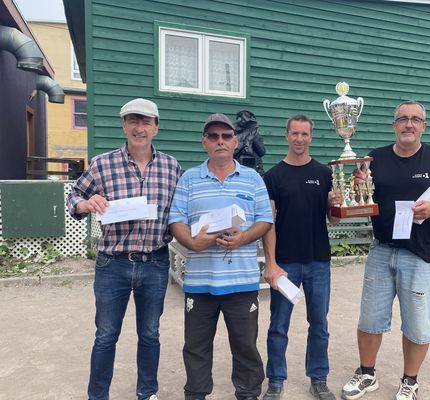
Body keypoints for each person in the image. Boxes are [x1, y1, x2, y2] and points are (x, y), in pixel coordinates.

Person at [341, 100, 430, 400]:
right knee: (369, 318)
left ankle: (410, 380)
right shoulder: (376, 158)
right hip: (382, 250)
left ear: (423, 126)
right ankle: (367, 374)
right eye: (403, 119)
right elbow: (362, 198)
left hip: (421, 255)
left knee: (417, 324)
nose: (409, 124)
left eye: (415, 119)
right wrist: (358, 184)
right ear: (394, 125)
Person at [67, 98, 181, 400]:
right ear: (124, 125)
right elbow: (74, 195)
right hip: (112, 264)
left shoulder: (172, 167)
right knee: (105, 336)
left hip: (155, 262)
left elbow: (180, 211)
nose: (139, 128)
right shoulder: (103, 164)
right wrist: (84, 203)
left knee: (150, 334)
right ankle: (98, 395)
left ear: (156, 127)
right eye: (133, 121)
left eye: (146, 122)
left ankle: (147, 393)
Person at [168, 113, 273, 400]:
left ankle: (248, 393)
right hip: (201, 283)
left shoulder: (252, 179)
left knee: (245, 346)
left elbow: (265, 221)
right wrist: (192, 242)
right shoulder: (189, 178)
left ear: (235, 141)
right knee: (196, 346)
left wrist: (243, 238)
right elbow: (176, 219)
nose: (220, 141)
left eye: (226, 136)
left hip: (242, 282)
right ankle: (196, 394)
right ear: (204, 143)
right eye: (213, 137)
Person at [261, 115, 342, 400]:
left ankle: (318, 379)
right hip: (286, 263)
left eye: (304, 134)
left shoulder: (324, 173)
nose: (299, 139)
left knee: (319, 323)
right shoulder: (273, 176)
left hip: (318, 260)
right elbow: (267, 223)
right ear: (286, 136)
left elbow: (332, 221)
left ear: (311, 137)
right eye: (294, 133)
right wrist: (270, 262)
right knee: (278, 325)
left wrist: (335, 206)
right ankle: (275, 380)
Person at [234, 110, 266, 175]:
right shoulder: (233, 134)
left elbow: (261, 152)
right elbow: (234, 151)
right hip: (239, 168)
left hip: (254, 167)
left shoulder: (255, 133)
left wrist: (253, 136)